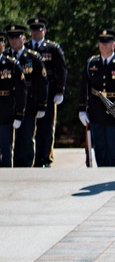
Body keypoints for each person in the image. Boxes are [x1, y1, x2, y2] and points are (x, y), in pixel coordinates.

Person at [78, 28, 115, 167]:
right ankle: (102, 174)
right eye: (101, 43)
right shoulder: (92, 63)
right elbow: (84, 87)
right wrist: (82, 109)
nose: (104, 46)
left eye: (107, 42)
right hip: (96, 111)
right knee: (99, 147)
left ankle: (114, 174)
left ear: (114, 45)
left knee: (114, 147)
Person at [26, 17, 66, 167]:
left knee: (47, 127)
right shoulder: (26, 47)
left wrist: (60, 91)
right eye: (34, 30)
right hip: (30, 95)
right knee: (31, 128)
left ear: (45, 31)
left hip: (49, 94)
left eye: (39, 30)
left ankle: (46, 157)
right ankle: (35, 158)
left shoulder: (53, 48)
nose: (36, 33)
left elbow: (61, 70)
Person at [5, 24, 47, 167]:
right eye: (11, 38)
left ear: (23, 38)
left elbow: (42, 82)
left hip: (29, 105)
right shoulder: (5, 58)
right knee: (10, 141)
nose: (14, 41)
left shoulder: (33, 57)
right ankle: (14, 166)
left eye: (17, 37)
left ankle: (27, 167)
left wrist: (42, 105)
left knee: (27, 138)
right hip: (9, 107)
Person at [0, 44, 26, 167]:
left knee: (6, 148)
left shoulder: (12, 64)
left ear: (3, 46)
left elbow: (21, 91)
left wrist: (19, 113)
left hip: (6, 110)